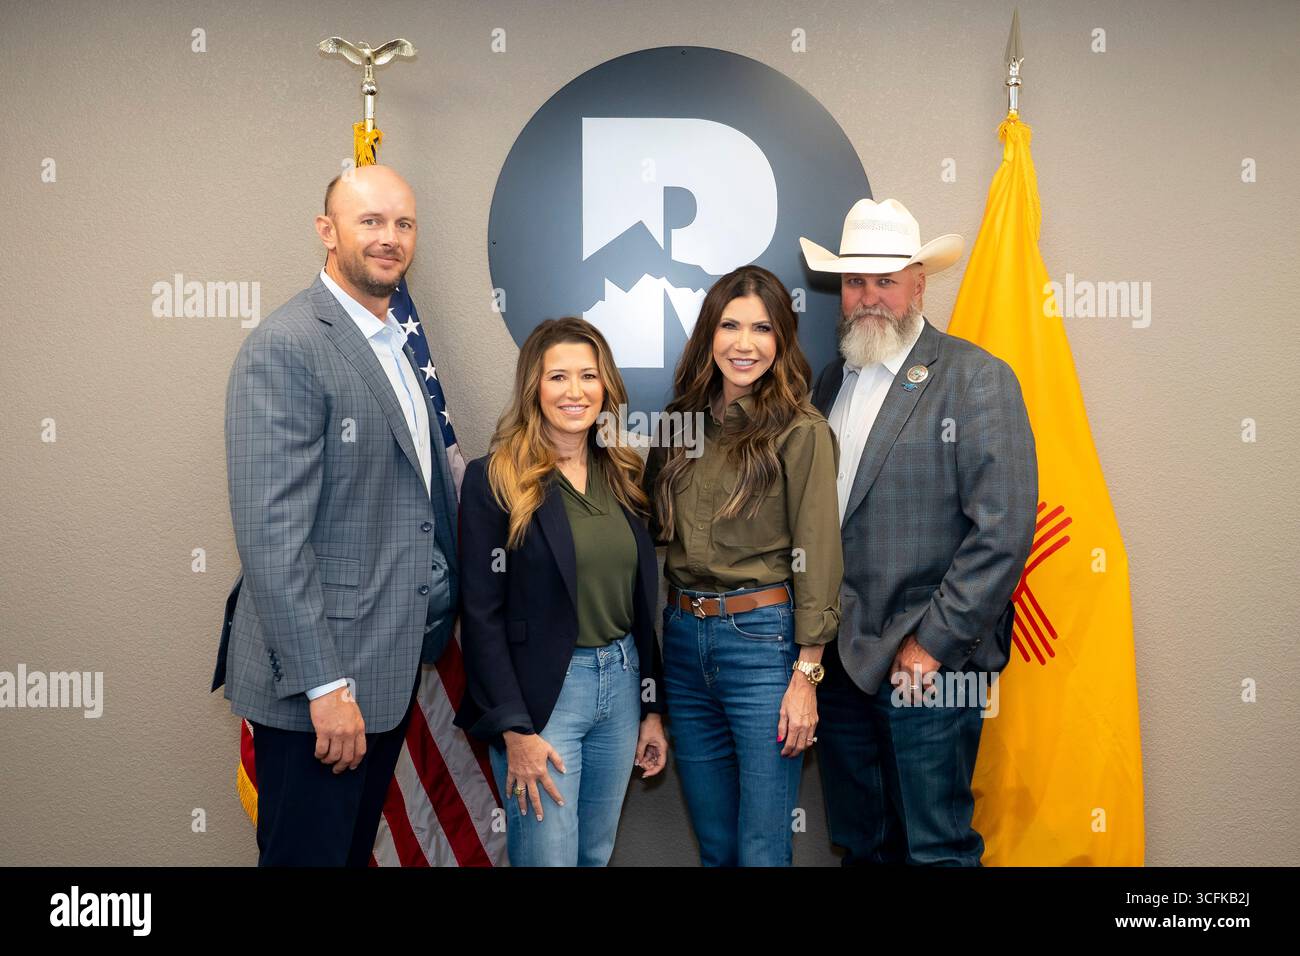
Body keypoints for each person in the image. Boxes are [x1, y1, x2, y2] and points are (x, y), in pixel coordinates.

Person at [212, 165, 459, 866]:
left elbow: (410, 504)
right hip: (319, 692)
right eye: (370, 222)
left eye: (403, 224)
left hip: (383, 672)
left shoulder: (393, 346)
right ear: (327, 231)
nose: (389, 238)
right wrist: (326, 687)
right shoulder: (287, 346)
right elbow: (271, 537)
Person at [800, 197, 1038, 865]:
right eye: (854, 281)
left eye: (885, 279)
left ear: (918, 283)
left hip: (929, 672)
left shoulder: (975, 378)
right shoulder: (829, 383)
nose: (869, 296)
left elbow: (1004, 531)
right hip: (842, 669)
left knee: (936, 851)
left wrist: (931, 646)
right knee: (861, 846)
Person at [645, 265, 842, 866]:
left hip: (763, 645)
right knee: (718, 847)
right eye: (729, 325)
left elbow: (820, 555)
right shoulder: (680, 424)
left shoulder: (801, 431)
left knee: (761, 849)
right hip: (682, 643)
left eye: (761, 328)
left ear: (781, 339)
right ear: (710, 334)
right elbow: (644, 526)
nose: (744, 343)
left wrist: (806, 675)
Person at [455, 317, 668, 867]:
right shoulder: (496, 478)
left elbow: (641, 607)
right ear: (534, 388)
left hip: (620, 688)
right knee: (547, 859)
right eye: (558, 377)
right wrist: (514, 729)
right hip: (545, 699)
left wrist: (650, 709)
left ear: (606, 386)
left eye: (588, 376)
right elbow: (480, 615)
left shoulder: (624, 475)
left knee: (594, 855)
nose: (575, 392)